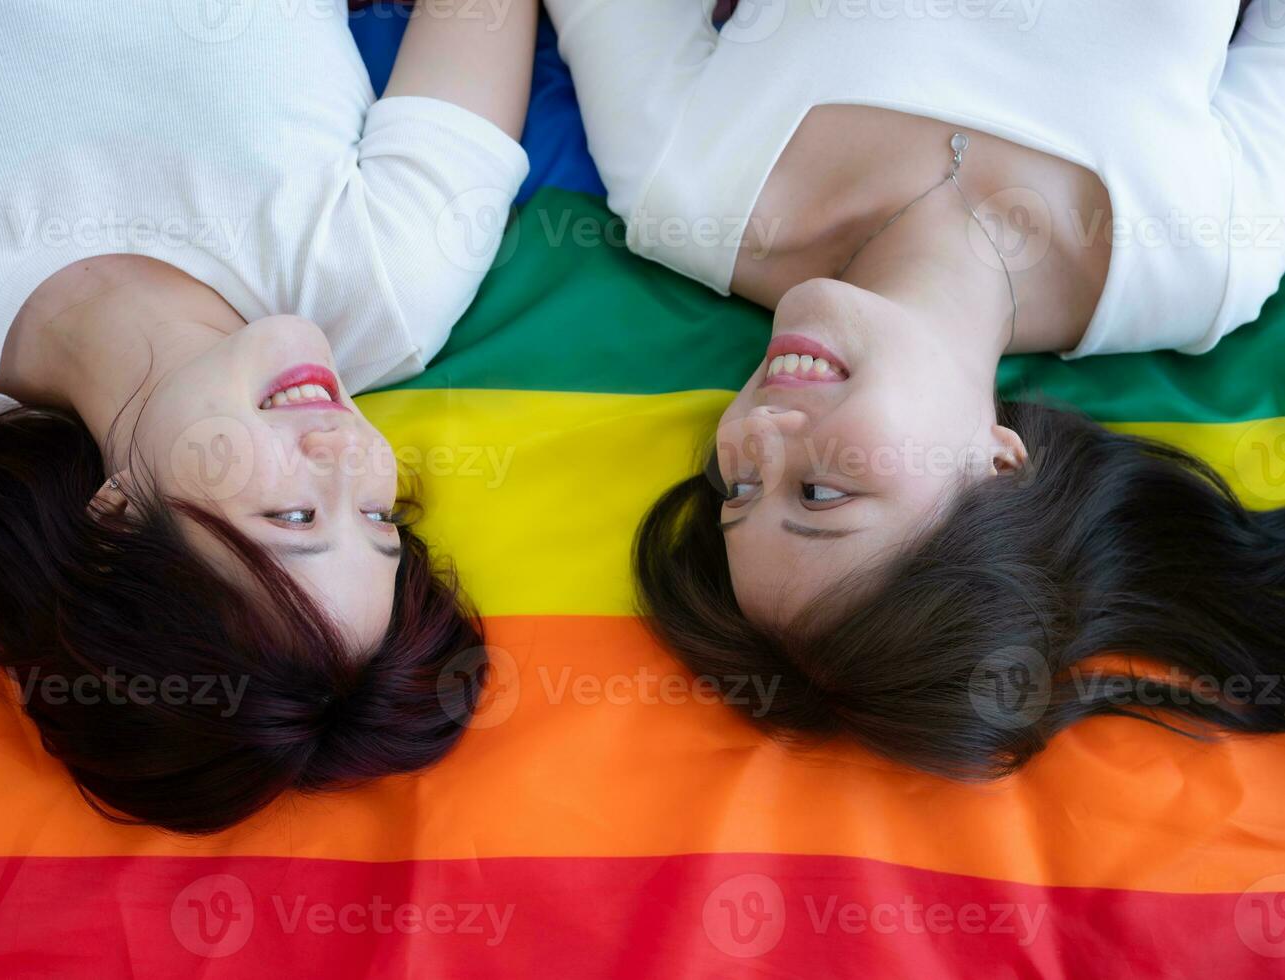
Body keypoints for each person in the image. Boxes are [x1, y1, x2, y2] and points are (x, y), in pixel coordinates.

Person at [0, 0, 535, 833]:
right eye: (376, 516)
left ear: (118, 519)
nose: (344, 453)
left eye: (293, 514)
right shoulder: (388, 284)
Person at [545, 0, 1285, 774]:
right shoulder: (1200, 262)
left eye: (738, 487)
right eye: (820, 493)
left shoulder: (682, 191)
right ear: (999, 467)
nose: (756, 434)